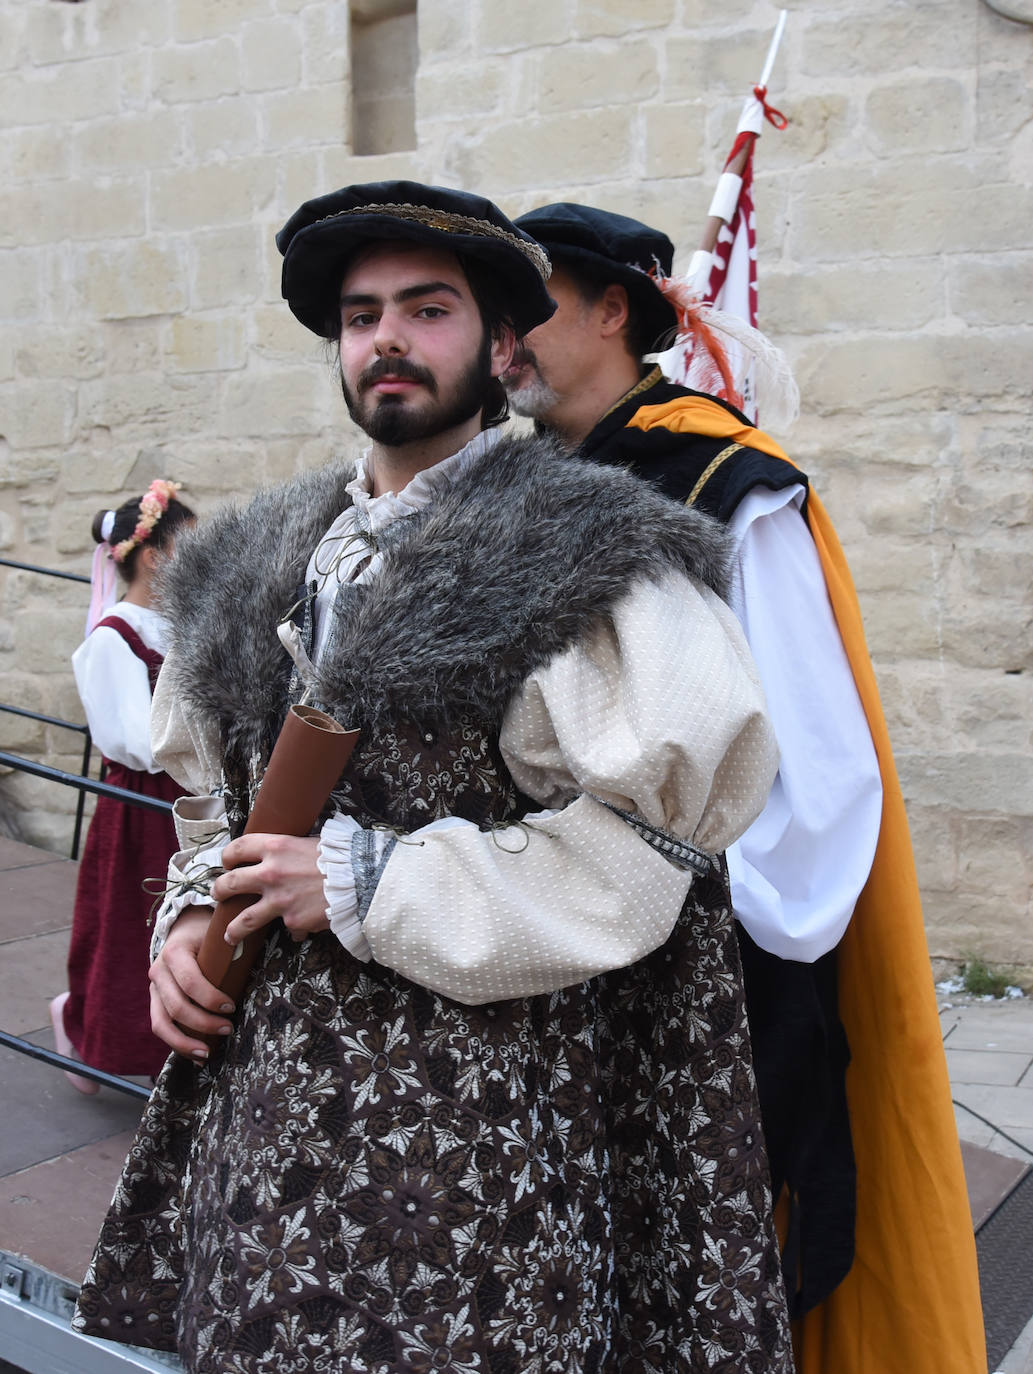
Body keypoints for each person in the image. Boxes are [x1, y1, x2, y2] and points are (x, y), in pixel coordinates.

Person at [74, 182, 795, 1373]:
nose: (389, 340)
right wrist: (190, 917)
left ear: (500, 344)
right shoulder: (257, 553)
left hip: (476, 1133)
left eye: (428, 308)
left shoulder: (588, 552)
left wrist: (371, 882)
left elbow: (642, 857)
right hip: (267, 1127)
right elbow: (214, 801)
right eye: (361, 316)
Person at [503, 202, 985, 1373]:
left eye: (530, 306)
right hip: (557, 951)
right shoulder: (522, 486)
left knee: (712, 1272)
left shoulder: (723, 480)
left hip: (711, 970)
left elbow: (816, 768)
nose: (501, 336)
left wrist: (732, 947)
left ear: (614, 311)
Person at [50, 482, 194, 1091]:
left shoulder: (176, 626)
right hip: (140, 803)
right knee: (127, 926)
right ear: (155, 555)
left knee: (176, 925)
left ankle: (165, 1053)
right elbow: (136, 738)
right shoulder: (113, 636)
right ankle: (86, 1029)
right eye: (189, 546)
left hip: (179, 797)